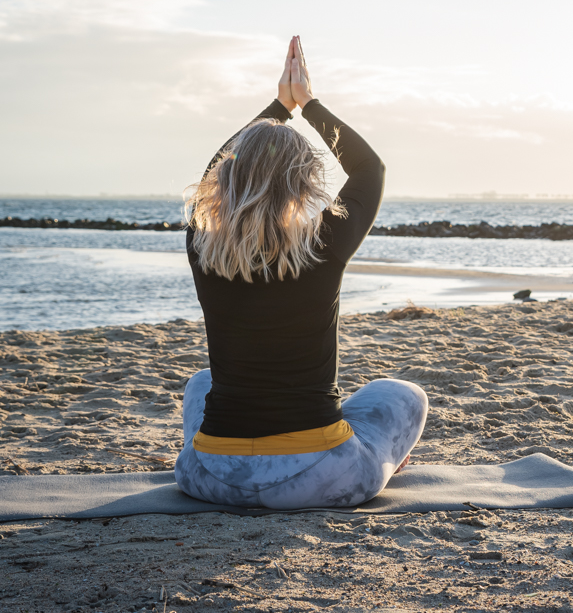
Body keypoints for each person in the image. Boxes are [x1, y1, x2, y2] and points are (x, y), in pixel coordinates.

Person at [173, 36, 427, 509]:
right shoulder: (322, 243)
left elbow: (214, 171)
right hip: (317, 475)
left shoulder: (202, 242)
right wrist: (306, 103)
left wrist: (278, 106)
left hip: (206, 477)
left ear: (224, 182)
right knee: (403, 394)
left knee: (201, 383)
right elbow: (369, 168)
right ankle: (382, 461)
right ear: (302, 179)